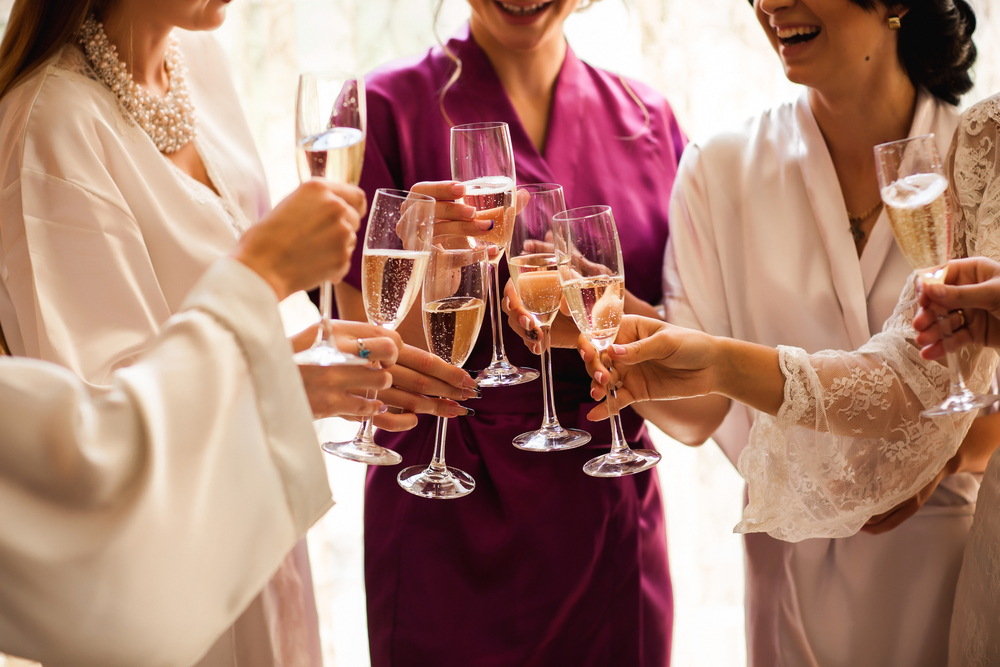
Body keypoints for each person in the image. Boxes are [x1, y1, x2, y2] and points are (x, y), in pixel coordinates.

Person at [506, 0, 985, 663]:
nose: (770, 6)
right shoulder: (718, 167)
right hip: (789, 585)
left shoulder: (981, 164)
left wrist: (949, 453)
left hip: (947, 568)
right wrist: (603, 320)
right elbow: (701, 409)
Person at [0, 1, 477, 665]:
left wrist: (330, 345)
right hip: (175, 602)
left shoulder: (195, 61)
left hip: (261, 554)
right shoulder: (48, 127)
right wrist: (288, 367)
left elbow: (225, 314)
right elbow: (107, 457)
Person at [333, 0, 686, 664]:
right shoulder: (382, 107)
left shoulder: (649, 120)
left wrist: (599, 305)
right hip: (443, 513)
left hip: (607, 514)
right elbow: (361, 353)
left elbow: (696, 367)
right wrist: (426, 263)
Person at [0, 183, 407, 667]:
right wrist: (258, 274)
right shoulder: (48, 130)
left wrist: (274, 378)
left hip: (258, 550)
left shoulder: (215, 107)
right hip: (186, 582)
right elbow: (91, 491)